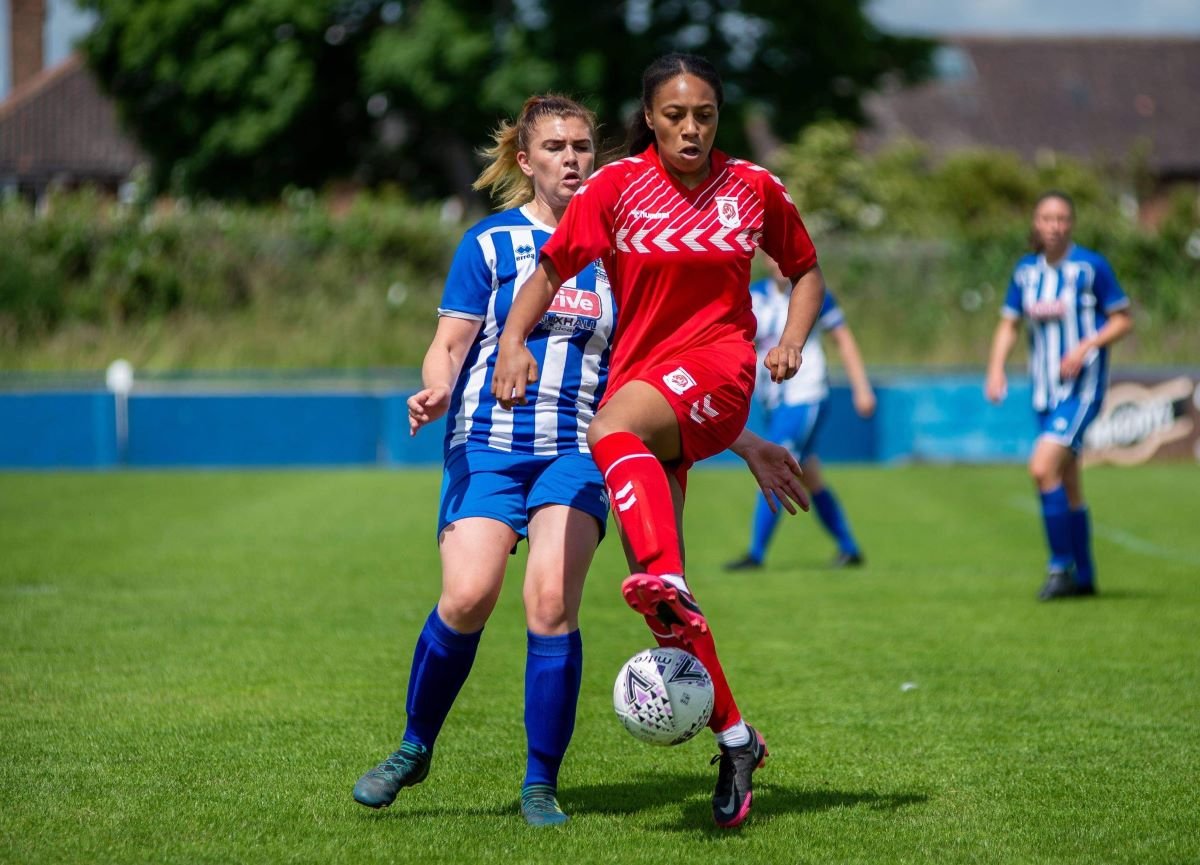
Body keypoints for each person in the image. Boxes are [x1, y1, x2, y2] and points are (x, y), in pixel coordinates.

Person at [351, 93, 806, 828]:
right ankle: (413, 746)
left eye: (583, 147)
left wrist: (745, 441)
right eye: (556, 148)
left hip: (580, 449)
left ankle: (540, 784)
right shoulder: (490, 245)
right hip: (488, 446)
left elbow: (664, 367)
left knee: (551, 602)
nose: (573, 159)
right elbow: (452, 341)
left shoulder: (629, 246)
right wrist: (436, 386)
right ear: (526, 161)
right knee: (468, 595)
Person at [491, 53, 824, 828]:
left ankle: (666, 574)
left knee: (609, 433)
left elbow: (804, 270)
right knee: (662, 606)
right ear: (650, 118)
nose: (691, 127)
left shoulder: (753, 186)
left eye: (704, 114)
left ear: (718, 116)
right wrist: (514, 338)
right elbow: (548, 270)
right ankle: (738, 738)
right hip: (646, 392)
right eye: (675, 115)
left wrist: (794, 341)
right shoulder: (611, 189)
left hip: (718, 368)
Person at [985, 190, 1132, 601]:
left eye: (1063, 218)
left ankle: (1060, 568)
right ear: (1036, 224)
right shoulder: (1026, 273)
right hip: (1044, 393)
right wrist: (996, 368)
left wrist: (1087, 346)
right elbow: (1008, 324)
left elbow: (1122, 319)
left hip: (1081, 390)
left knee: (1040, 468)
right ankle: (1085, 576)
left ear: (1072, 224)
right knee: (1068, 485)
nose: (1055, 225)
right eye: (1047, 218)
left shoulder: (1090, 267)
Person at [725, 257, 875, 571]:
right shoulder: (753, 296)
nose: (780, 261)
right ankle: (849, 548)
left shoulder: (812, 292)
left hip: (805, 396)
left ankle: (755, 554)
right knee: (810, 475)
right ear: (764, 259)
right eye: (773, 254)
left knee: (773, 462)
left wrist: (861, 387)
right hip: (774, 402)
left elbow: (843, 340)